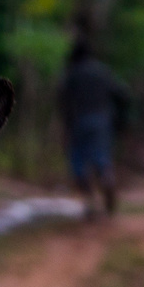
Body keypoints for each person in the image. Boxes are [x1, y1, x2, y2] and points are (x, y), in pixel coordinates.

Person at [59, 40, 130, 216]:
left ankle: (90, 202)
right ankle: (107, 178)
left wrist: (66, 127)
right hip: (102, 120)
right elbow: (123, 94)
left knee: (79, 161)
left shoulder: (72, 74)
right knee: (101, 157)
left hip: (79, 121)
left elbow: (64, 103)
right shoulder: (103, 72)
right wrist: (120, 119)